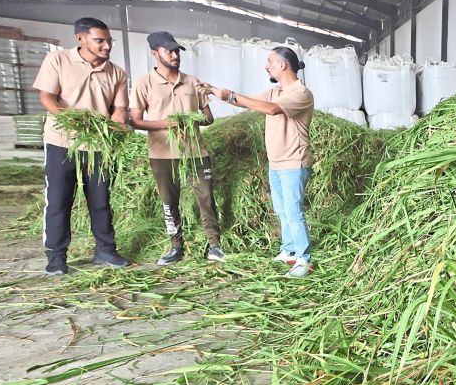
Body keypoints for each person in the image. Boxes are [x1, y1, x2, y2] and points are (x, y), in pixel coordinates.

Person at [33, 17, 131, 275]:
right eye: (100, 41)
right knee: (58, 200)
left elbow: (119, 109)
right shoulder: (59, 60)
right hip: (61, 142)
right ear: (81, 38)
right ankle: (56, 256)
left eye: (109, 41)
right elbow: (47, 96)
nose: (107, 46)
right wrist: (72, 121)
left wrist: (115, 127)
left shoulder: (117, 73)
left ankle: (105, 250)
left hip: (99, 146)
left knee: (101, 200)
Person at [209, 46, 314, 278]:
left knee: (294, 211)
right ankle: (289, 250)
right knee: (282, 211)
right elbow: (248, 102)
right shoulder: (274, 91)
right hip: (276, 163)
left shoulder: (301, 93)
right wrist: (216, 92)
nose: (266, 65)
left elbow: (273, 110)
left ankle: (304, 259)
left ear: (282, 65)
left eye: (269, 61)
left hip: (294, 162)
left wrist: (232, 95)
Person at [129, 31, 224, 266]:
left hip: (195, 152)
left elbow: (208, 118)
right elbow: (135, 120)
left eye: (176, 51)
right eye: (168, 51)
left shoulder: (192, 82)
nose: (174, 55)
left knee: (206, 197)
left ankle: (214, 245)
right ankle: (176, 246)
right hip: (162, 153)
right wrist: (165, 124)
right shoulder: (144, 83)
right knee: (169, 201)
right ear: (155, 53)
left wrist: (192, 119)